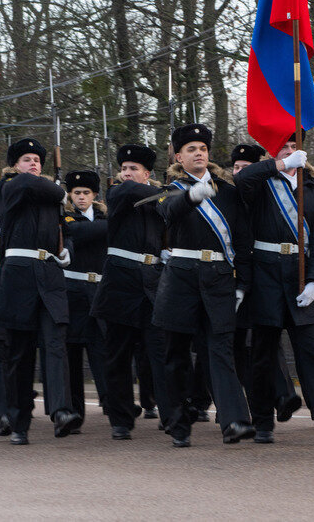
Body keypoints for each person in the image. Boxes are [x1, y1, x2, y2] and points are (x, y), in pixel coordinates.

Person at [234, 132, 314, 445]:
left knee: (311, 350)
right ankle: (262, 422)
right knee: (263, 354)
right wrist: (280, 163)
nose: (290, 150)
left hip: (301, 274)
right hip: (265, 275)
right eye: (283, 146)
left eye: (294, 146)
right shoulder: (260, 183)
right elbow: (241, 179)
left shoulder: (313, 188)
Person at [153, 123, 255, 447]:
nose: (199, 153)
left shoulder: (227, 191)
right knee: (176, 353)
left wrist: (242, 283)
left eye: (203, 148)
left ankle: (235, 420)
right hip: (181, 278)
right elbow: (167, 212)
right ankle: (177, 421)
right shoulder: (171, 189)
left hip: (219, 278)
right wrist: (191, 196)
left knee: (220, 350)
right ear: (179, 157)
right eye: (191, 149)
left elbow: (242, 238)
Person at [0, 138, 82, 445]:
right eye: (27, 159)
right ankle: (19, 421)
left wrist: (66, 248)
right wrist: (56, 187)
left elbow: (63, 228)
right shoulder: (10, 186)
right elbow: (41, 187)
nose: (34, 164)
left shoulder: (47, 194)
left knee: (55, 342)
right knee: (19, 352)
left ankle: (61, 410)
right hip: (19, 275)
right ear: (14, 165)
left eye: (37, 160)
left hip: (49, 274)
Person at [90, 144, 173, 440]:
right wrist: (170, 191)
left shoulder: (160, 199)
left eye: (133, 169)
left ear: (146, 173)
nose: (126, 173)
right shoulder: (120, 192)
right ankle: (121, 418)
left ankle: (171, 413)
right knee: (118, 355)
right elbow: (133, 193)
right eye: (123, 168)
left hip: (151, 282)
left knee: (160, 353)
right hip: (120, 283)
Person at [61, 170, 109, 431]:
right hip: (73, 290)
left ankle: (111, 403)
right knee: (72, 355)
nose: (81, 197)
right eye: (77, 193)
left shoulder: (102, 215)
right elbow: (76, 233)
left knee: (101, 350)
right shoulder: (66, 216)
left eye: (86, 193)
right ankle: (73, 412)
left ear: (94, 195)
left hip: (98, 290)